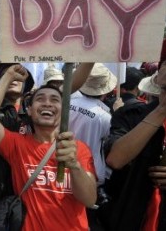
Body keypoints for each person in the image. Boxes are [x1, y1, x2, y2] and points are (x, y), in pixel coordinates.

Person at [0, 64, 97, 231]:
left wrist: (75, 165)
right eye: (40, 99)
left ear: (64, 111)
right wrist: (8, 75)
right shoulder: (16, 144)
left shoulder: (78, 149)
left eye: (55, 100)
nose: (47, 103)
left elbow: (90, 200)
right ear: (30, 110)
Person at [105, 37, 166, 231]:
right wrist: (163, 109)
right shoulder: (130, 114)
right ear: (157, 76)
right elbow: (115, 159)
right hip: (131, 218)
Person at [68, 63, 117, 231]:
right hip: (89, 172)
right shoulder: (105, 117)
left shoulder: (69, 100)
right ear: (105, 90)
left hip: (63, 162)